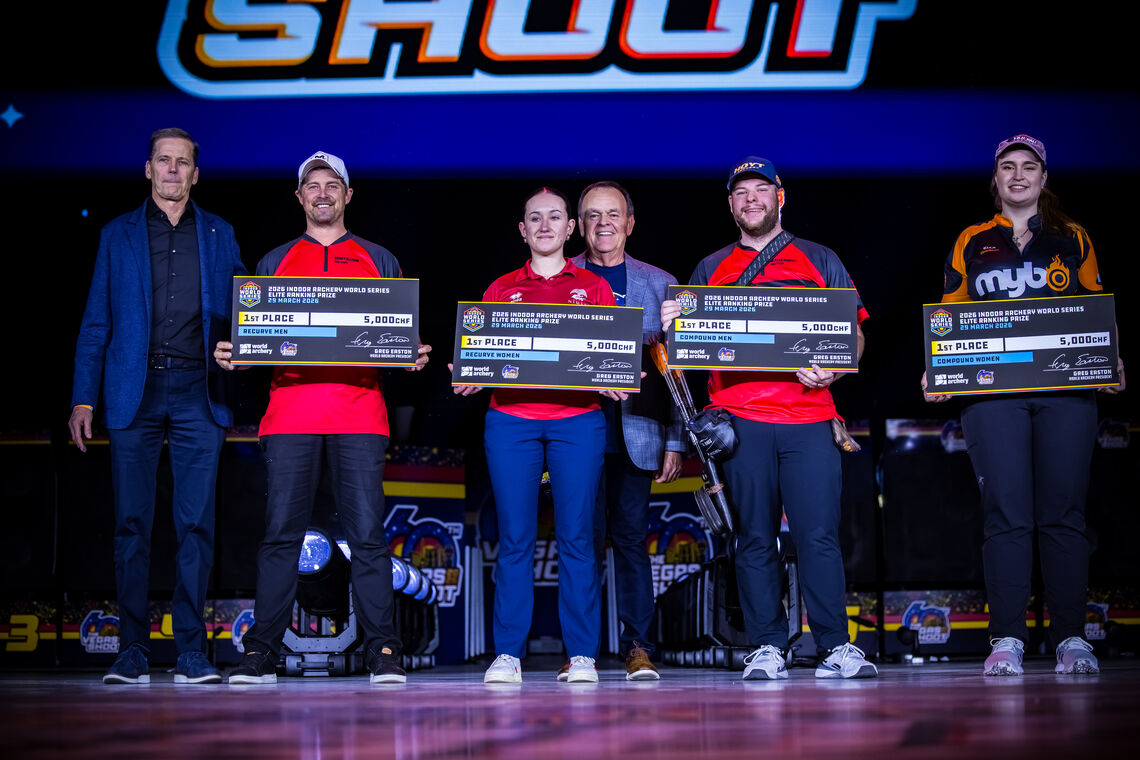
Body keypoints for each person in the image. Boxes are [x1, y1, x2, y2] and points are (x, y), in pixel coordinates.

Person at [214, 151, 430, 685]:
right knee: (281, 536)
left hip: (360, 413)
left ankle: (384, 653)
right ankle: (261, 652)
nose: (322, 193)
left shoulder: (379, 258)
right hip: (290, 415)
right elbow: (258, 339)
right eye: (312, 185)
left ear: (348, 194)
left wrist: (410, 354)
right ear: (299, 196)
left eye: (332, 184)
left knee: (367, 537)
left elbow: (398, 341)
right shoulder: (272, 262)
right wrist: (241, 353)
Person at [661, 157, 876, 680]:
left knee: (818, 535)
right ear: (730, 204)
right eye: (741, 192)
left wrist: (837, 369)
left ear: (781, 197)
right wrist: (674, 328)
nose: (751, 198)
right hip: (740, 421)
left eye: (762, 189)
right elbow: (684, 354)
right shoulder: (709, 269)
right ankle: (767, 647)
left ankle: (834, 647)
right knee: (753, 536)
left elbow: (856, 335)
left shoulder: (820, 259)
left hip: (810, 419)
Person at [923, 134, 1125, 676]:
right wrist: (937, 368)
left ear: (1042, 178)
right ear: (996, 180)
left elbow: (1092, 308)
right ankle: (1007, 637)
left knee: (1063, 515)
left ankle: (1070, 638)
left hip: (1065, 394)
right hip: (994, 398)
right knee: (1006, 515)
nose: (1018, 176)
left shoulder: (1072, 237)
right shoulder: (972, 238)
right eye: (1008, 167)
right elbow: (951, 314)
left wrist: (1111, 359)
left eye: (1028, 167)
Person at [69, 127, 246, 685]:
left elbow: (248, 312)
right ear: (148, 169)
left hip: (199, 392)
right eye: (163, 161)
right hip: (132, 391)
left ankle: (192, 652)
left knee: (195, 526)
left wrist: (242, 351)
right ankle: (132, 650)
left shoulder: (221, 234)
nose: (173, 170)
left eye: (183, 162)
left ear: (197, 173)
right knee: (131, 524)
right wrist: (82, 397)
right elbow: (97, 321)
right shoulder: (115, 235)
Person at [455, 187, 619, 684]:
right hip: (511, 420)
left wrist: (615, 373)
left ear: (571, 228)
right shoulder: (501, 288)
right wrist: (472, 370)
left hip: (578, 421)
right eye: (534, 218)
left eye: (554, 217)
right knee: (515, 538)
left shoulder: (593, 287)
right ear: (522, 230)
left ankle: (583, 654)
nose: (545, 225)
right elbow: (481, 354)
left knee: (576, 538)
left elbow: (609, 354)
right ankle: (508, 653)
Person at [561, 181, 683, 681]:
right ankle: (580, 651)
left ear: (630, 223)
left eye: (613, 214)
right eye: (592, 215)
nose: (603, 223)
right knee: (579, 541)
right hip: (575, 430)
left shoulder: (661, 284)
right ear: (580, 225)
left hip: (639, 434)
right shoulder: (560, 278)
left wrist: (676, 439)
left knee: (631, 541)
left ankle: (639, 646)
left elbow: (679, 369)